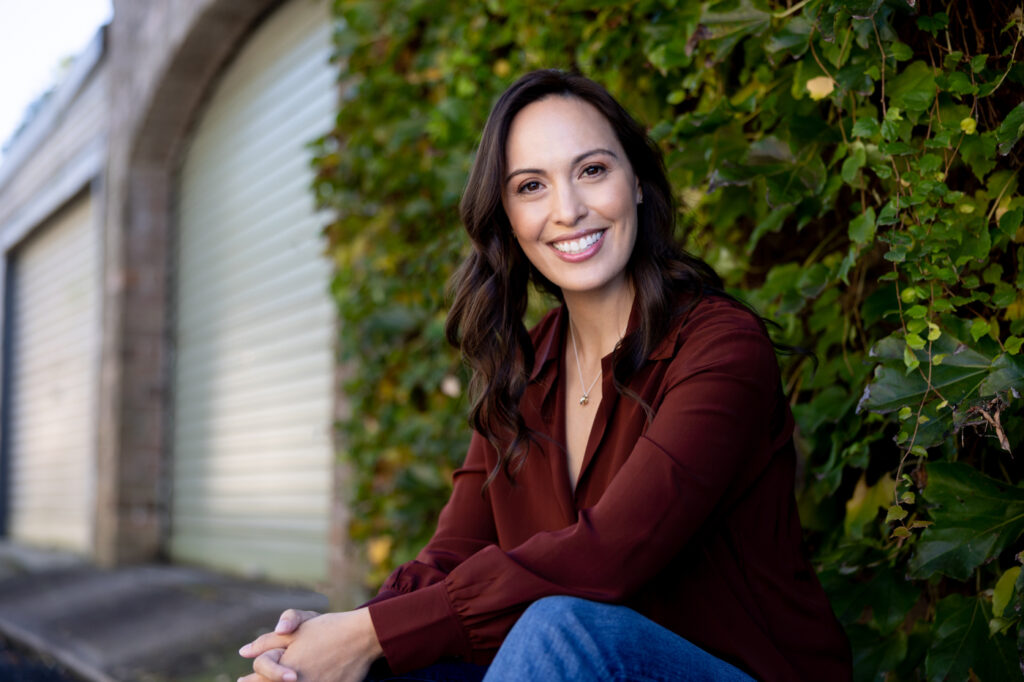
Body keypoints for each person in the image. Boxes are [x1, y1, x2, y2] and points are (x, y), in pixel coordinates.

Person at [238, 69, 852, 682]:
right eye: (532, 186)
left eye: (592, 171)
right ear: (505, 215)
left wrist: (370, 634)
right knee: (377, 668)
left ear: (635, 181)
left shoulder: (720, 348)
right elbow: (453, 554)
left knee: (558, 627)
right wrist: (335, 643)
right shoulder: (525, 367)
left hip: (743, 672)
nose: (568, 210)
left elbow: (611, 556)